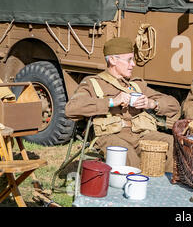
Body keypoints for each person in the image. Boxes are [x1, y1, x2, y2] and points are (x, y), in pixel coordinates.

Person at [65, 37, 180, 172]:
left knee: (173, 145)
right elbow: (71, 109)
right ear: (113, 60)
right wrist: (112, 102)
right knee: (127, 156)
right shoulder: (93, 83)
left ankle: (164, 186)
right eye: (129, 60)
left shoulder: (136, 85)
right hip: (110, 136)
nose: (133, 64)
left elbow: (174, 105)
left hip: (139, 134)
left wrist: (151, 103)